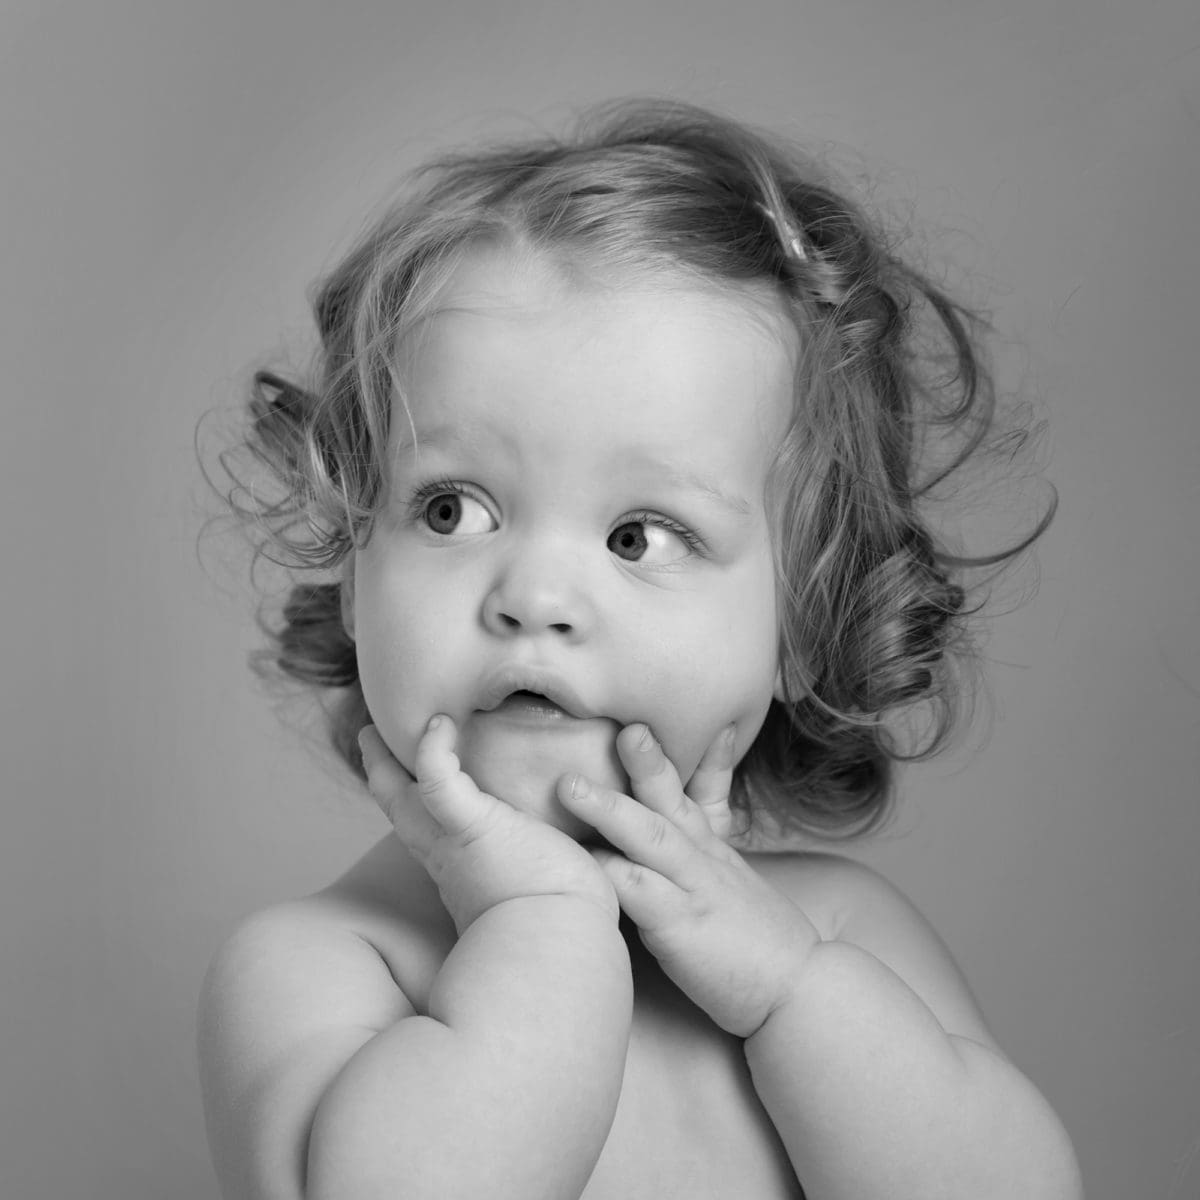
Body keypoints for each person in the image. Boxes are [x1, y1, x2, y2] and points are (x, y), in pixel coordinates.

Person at [198, 99, 1082, 1199]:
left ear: (805, 621)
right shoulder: (324, 964)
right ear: (352, 563)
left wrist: (789, 996)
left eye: (639, 536)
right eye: (452, 510)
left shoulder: (832, 935)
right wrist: (542, 927)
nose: (533, 597)